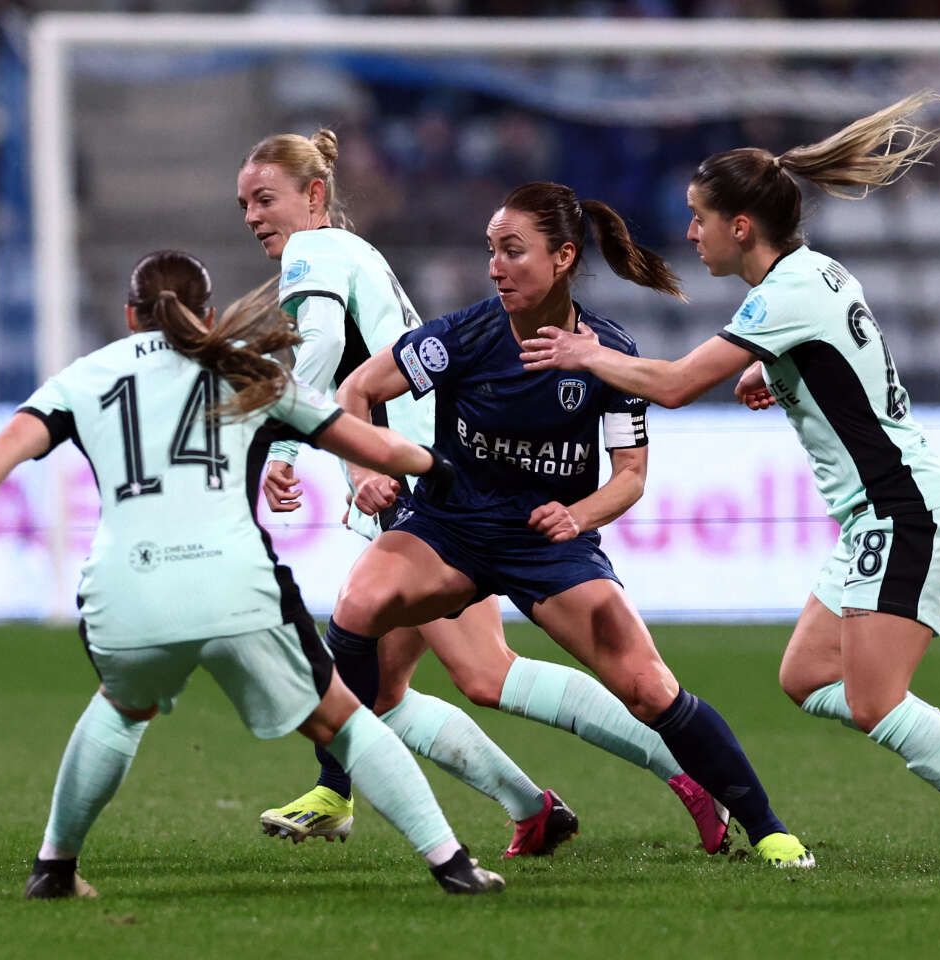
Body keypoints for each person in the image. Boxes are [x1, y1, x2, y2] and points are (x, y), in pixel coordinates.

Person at [518, 92, 940, 881]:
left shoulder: (783, 294)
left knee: (874, 700)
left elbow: (670, 385)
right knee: (805, 677)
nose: (691, 230)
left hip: (898, 508)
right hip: (873, 513)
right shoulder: (816, 274)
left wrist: (585, 355)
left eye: (700, 216)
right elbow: (834, 357)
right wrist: (776, 371)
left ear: (743, 227)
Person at [0, 249, 505, 897]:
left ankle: (54, 869)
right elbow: (372, 445)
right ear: (211, 314)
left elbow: (11, 442)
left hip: (124, 592)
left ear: (130, 315)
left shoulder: (85, 376)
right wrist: (439, 469)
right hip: (235, 588)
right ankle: (452, 864)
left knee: (120, 708)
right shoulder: (249, 374)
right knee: (342, 719)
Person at [239, 131, 729, 858]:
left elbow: (312, 350)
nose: (252, 216)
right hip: (411, 466)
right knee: (400, 687)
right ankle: (522, 808)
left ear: (314, 195)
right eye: (244, 203)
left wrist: (279, 446)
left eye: (265, 199)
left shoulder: (317, 252)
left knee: (469, 673)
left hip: (416, 487)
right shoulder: (350, 252)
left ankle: (687, 773)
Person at [330, 180, 813, 867]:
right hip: (452, 528)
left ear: (562, 257)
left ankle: (768, 828)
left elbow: (630, 477)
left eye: (513, 251)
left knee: (650, 687)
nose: (496, 266)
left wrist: (576, 514)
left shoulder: (607, 354)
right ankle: (334, 785)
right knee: (359, 604)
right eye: (492, 251)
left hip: (546, 545)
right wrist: (363, 472)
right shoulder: (462, 335)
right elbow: (358, 390)